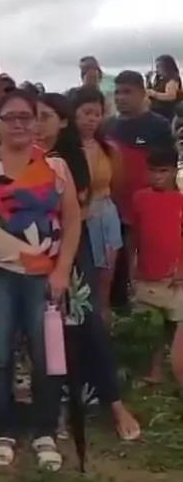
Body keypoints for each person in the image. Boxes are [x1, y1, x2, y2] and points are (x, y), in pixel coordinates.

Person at [0, 89, 81, 471]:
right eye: (10, 117)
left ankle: (45, 430)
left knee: (46, 356)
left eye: (27, 116)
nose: (20, 124)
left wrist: (62, 270)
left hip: (44, 276)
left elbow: (73, 220)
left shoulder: (55, 167)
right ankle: (3, 429)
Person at [36, 93, 140, 441]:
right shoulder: (16, 156)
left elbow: (77, 212)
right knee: (44, 330)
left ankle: (113, 402)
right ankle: (57, 403)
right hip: (29, 253)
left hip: (70, 251)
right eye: (33, 117)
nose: (36, 124)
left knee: (87, 324)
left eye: (45, 117)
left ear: (62, 122)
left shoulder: (70, 159)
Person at [103, 70, 173, 308]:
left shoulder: (159, 126)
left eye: (127, 92)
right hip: (114, 208)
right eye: (117, 92)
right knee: (116, 263)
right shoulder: (107, 127)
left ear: (142, 93)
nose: (121, 98)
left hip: (148, 208)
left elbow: (167, 167)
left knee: (150, 262)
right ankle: (118, 310)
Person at [129, 146, 183, 385]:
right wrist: (132, 264)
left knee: (177, 324)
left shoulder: (180, 200)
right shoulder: (140, 198)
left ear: (174, 171)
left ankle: (177, 369)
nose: (157, 176)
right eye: (153, 171)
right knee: (152, 325)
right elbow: (134, 235)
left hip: (176, 277)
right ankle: (155, 369)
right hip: (148, 273)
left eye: (163, 171)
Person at [69, 86, 123, 320]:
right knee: (84, 272)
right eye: (87, 113)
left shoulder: (108, 148)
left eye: (97, 114)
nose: (92, 119)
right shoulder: (68, 149)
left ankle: (104, 314)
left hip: (106, 211)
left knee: (107, 271)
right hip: (81, 214)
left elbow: (117, 182)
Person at [147, 54, 182, 123]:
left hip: (166, 113)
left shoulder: (172, 80)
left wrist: (154, 94)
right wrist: (148, 79)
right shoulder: (161, 80)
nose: (157, 69)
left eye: (158, 67)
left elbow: (171, 97)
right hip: (157, 112)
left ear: (166, 67)